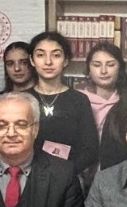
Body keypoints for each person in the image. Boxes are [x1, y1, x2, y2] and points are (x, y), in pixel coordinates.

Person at [28, 30, 99, 179]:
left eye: (56, 55)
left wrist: (66, 173)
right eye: (40, 55)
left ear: (65, 60)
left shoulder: (79, 100)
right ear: (32, 60)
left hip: (69, 178)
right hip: (29, 178)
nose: (48, 62)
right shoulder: (22, 100)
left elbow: (90, 149)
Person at [83, 41, 125, 138]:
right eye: (97, 65)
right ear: (89, 70)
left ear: (120, 68)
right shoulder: (78, 101)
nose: (103, 71)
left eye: (110, 65)